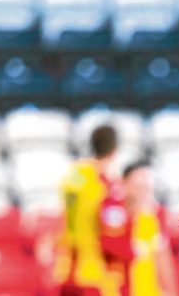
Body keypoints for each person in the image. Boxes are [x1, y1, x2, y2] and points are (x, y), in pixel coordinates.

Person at [55, 125, 121, 296]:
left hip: (66, 268)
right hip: (93, 272)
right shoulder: (106, 184)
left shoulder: (73, 175)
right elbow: (112, 236)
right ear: (115, 150)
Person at [99, 161, 179, 296]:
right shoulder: (113, 210)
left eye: (146, 188)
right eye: (138, 187)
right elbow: (108, 246)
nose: (143, 193)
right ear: (125, 184)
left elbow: (162, 256)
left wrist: (171, 290)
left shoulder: (156, 214)